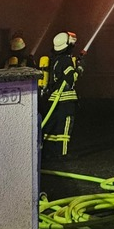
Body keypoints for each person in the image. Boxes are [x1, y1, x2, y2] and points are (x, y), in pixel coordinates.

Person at [41, 31, 81, 161]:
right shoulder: (66, 60)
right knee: (65, 127)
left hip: (54, 98)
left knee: (51, 126)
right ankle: (63, 154)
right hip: (66, 99)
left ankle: (47, 151)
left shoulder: (55, 60)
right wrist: (80, 69)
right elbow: (71, 78)